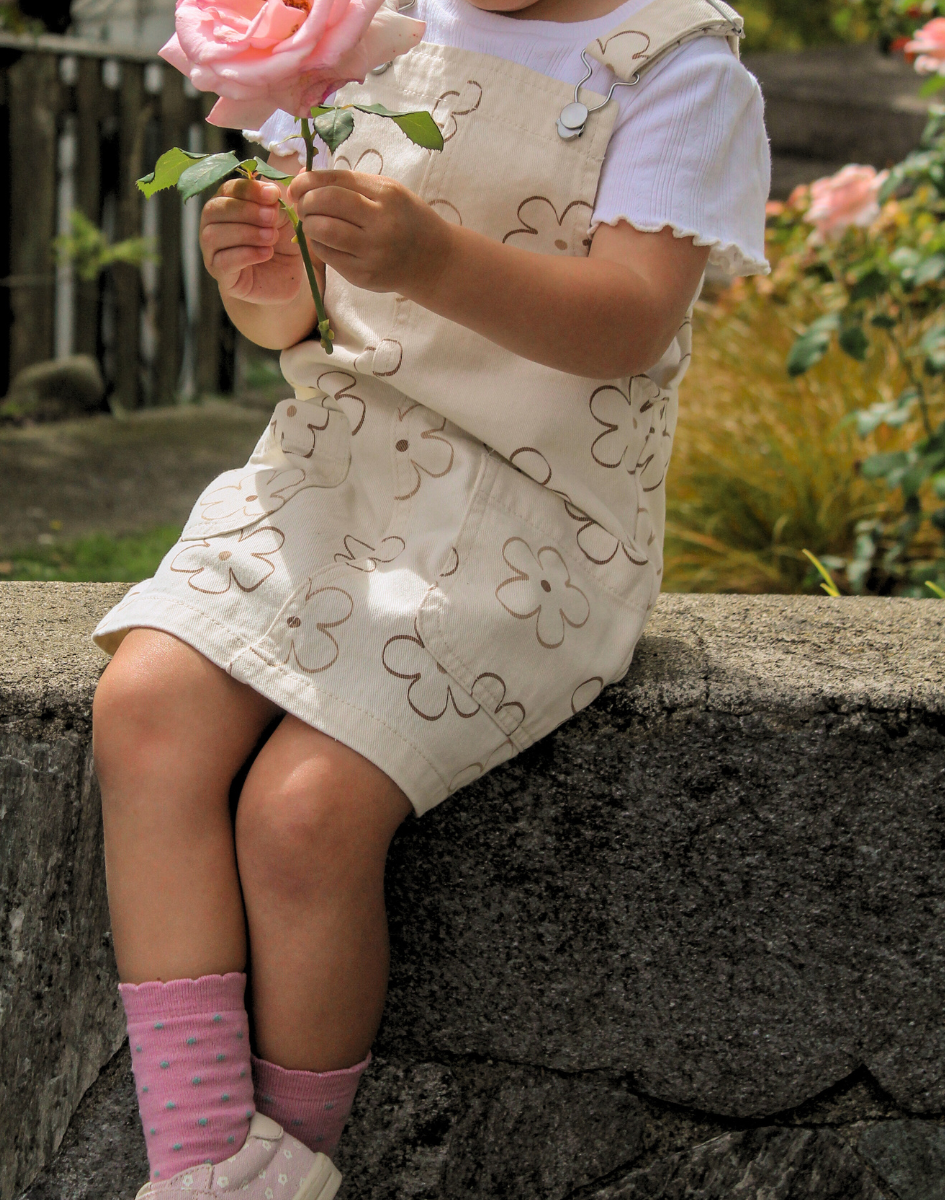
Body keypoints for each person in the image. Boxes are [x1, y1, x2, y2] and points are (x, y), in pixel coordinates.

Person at [92, 0, 769, 1195]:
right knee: (145, 701)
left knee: (303, 817)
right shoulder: (373, 26)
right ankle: (201, 1160)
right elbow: (302, 316)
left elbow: (629, 321)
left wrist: (432, 258)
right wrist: (262, 274)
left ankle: (283, 1168)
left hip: (535, 517)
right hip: (338, 462)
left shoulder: (674, 69)